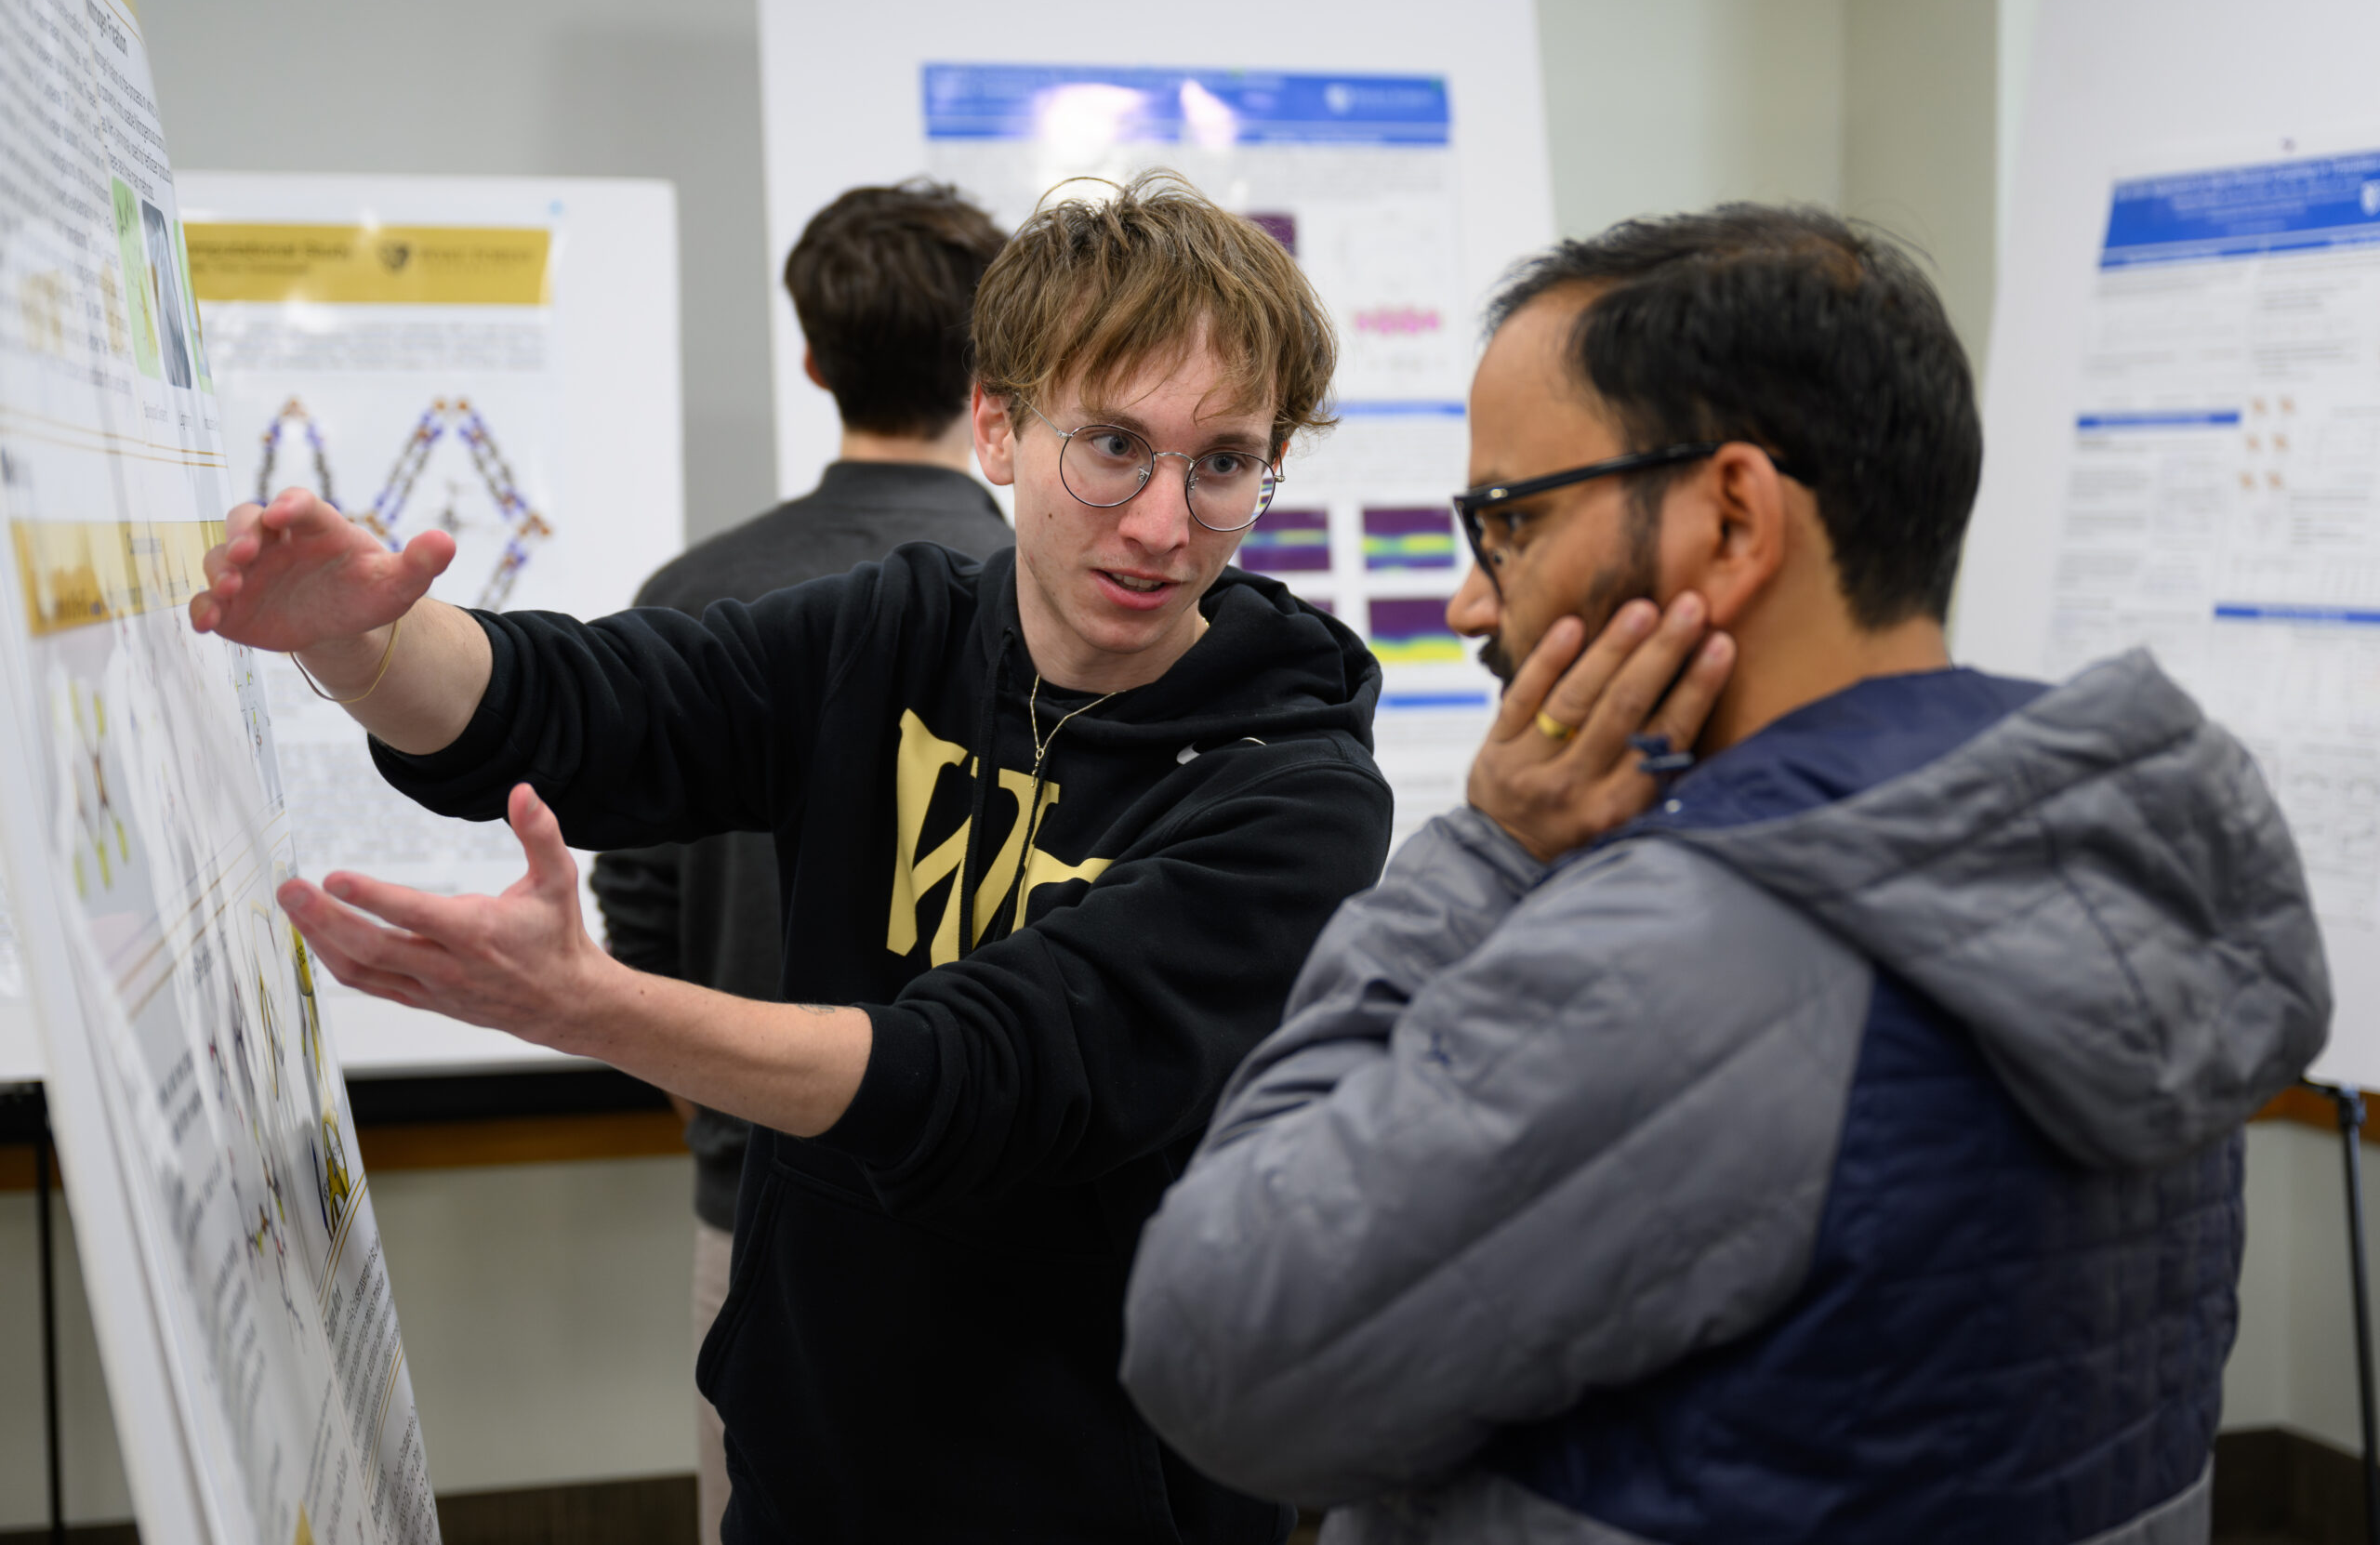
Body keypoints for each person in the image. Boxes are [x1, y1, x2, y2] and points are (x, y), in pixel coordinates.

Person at [190, 174, 1396, 1542]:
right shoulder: (891, 635)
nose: (1166, 523)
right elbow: (591, 704)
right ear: (996, 425)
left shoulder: (1295, 791)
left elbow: (987, 1078)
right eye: (1113, 445)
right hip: (809, 1478)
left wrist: (593, 1008)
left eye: (1225, 462)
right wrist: (365, 644)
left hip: (1101, 1503)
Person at [1117, 205, 2334, 1544]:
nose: (1473, 601)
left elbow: (1217, 1347)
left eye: (1507, 522)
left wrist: (1484, 856)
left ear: (1734, 516)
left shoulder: (1683, 953)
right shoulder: (2127, 855)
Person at [589, 178, 1012, 1545]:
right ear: (999, 366)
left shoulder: (692, 596)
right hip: (1016, 1230)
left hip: (752, 1199)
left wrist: (710, 1081)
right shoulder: (1069, 608)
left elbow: (638, 897)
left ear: (815, 357)